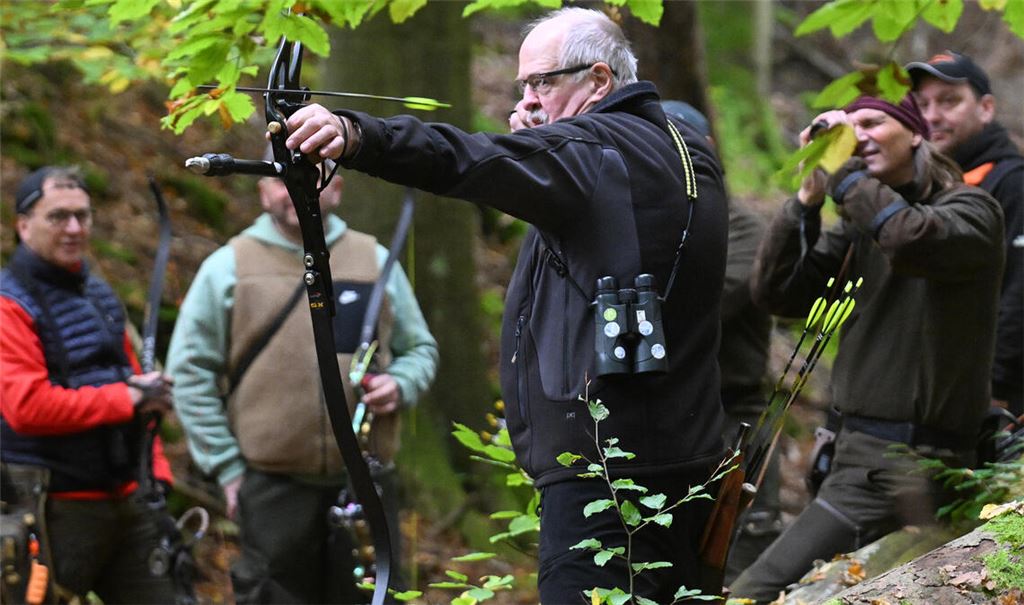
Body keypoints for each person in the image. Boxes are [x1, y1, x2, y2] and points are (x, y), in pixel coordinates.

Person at [282, 7, 730, 603]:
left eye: (543, 82)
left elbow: (467, 159)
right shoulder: (682, 151)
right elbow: (600, 235)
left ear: (599, 81)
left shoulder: (592, 152)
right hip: (686, 461)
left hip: (603, 474)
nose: (530, 98)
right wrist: (541, 147)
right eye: (524, 85)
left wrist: (359, 135)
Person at [728, 93, 1004, 602]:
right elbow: (777, 295)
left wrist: (848, 177)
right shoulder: (862, 227)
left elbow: (909, 237)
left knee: (752, 592)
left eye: (873, 123)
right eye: (848, 129)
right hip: (851, 456)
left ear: (916, 132)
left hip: (902, 464)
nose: (858, 137)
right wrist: (807, 201)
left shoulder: (971, 210)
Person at [165, 159, 438, 604]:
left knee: (373, 595)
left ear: (337, 188)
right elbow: (189, 373)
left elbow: (420, 349)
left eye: (312, 176)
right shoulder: (228, 267)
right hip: (271, 487)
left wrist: (400, 384)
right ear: (263, 192)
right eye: (282, 178)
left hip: (364, 483)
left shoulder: (374, 260)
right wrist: (227, 467)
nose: (297, 188)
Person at [0, 166, 177, 603]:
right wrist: (128, 397)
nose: (75, 228)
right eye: (58, 216)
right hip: (53, 510)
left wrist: (156, 473)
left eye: (83, 215)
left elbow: (141, 392)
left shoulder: (98, 294)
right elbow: (27, 407)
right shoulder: (9, 305)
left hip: (128, 499)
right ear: (23, 225)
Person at [659, 100, 781, 583]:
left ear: (707, 149)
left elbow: (712, 300)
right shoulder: (650, 223)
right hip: (671, 417)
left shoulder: (743, 226)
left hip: (736, 415)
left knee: (742, 552)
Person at [907, 51, 1023, 416]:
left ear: (986, 108)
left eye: (949, 101)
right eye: (922, 104)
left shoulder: (1013, 184)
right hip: (929, 395)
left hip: (989, 400)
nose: (931, 116)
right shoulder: (926, 184)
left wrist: (996, 388)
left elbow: (1020, 293)